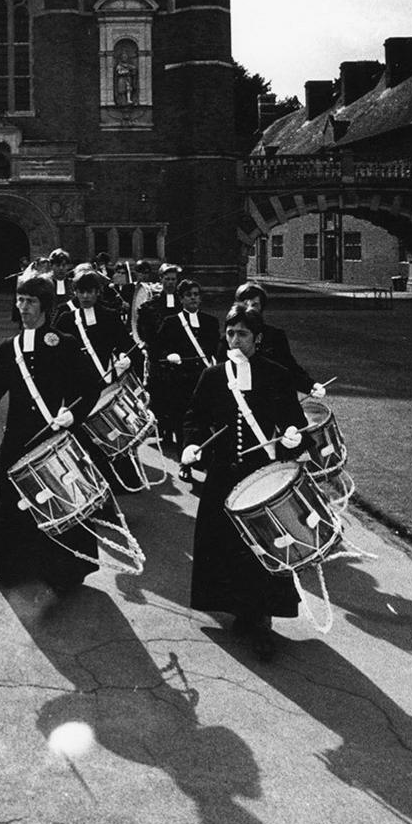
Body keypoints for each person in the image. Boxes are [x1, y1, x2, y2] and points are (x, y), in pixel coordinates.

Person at [180, 304, 308, 661]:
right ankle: (241, 609)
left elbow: (294, 422)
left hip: (260, 476)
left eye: (243, 334)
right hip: (223, 475)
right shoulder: (213, 375)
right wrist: (191, 443)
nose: (235, 340)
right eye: (230, 333)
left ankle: (262, 622)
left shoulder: (276, 375)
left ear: (258, 339)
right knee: (222, 544)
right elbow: (194, 416)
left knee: (262, 549)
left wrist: (293, 438)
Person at [0, 271, 101, 590]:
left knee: (59, 501)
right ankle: (18, 567)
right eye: (20, 300)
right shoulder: (10, 348)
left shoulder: (63, 344)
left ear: (45, 306)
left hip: (54, 434)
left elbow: (89, 389)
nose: (23, 307)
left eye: (31, 301)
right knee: (15, 504)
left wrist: (72, 414)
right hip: (17, 436)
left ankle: (62, 571)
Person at [151, 279, 221, 452]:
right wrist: (169, 355)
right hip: (181, 380)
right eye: (188, 295)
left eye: (196, 295)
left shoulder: (210, 322)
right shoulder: (171, 322)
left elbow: (217, 349)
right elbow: (156, 351)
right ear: (181, 299)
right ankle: (185, 460)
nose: (193, 299)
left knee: (206, 418)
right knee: (184, 420)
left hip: (205, 377)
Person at [229, 283, 322, 397]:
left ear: (262, 307)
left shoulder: (275, 336)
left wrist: (310, 385)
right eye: (245, 304)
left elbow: (289, 366)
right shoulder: (228, 339)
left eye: (255, 305)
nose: (249, 309)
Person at [54, 264, 132, 390]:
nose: (85, 296)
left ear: (97, 292)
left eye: (89, 292)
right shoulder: (66, 319)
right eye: (81, 292)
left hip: (106, 380)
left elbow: (125, 343)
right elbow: (55, 351)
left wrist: (124, 355)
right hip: (77, 383)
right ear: (75, 292)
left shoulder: (110, 316)